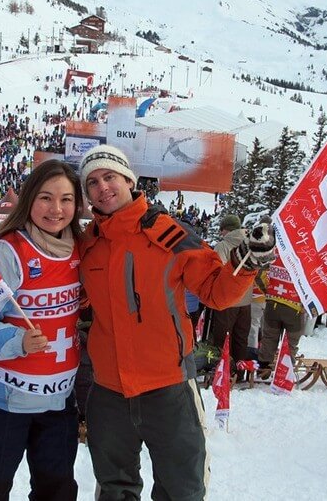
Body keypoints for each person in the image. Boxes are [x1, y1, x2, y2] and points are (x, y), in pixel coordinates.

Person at [77, 145, 274, 500]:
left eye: (109, 177)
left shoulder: (168, 234)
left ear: (128, 179)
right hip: (108, 392)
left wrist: (246, 263)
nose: (102, 187)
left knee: (182, 489)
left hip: (168, 388)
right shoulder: (88, 246)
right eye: (92, 182)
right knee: (114, 488)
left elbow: (216, 292)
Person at [0, 159, 83, 500]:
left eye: (66, 199)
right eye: (45, 197)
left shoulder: (81, 250)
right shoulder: (6, 252)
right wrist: (18, 341)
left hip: (57, 403)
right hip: (2, 402)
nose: (56, 209)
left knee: (57, 491)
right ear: (29, 200)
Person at [206, 214, 254, 369]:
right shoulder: (250, 245)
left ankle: (221, 371)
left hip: (226, 301)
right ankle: (238, 372)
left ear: (226, 229)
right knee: (241, 338)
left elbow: (216, 271)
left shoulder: (223, 246)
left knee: (221, 338)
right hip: (246, 300)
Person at [258, 254, 305, 372]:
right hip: (295, 308)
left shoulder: (274, 253)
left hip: (273, 304)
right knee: (291, 343)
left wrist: (267, 290)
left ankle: (263, 368)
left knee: (269, 339)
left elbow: (259, 274)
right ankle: (285, 372)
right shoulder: (305, 257)